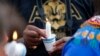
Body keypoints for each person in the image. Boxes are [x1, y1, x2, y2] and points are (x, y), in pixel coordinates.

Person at [10, 0, 94, 56]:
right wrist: (24, 42)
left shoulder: (86, 1)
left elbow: (96, 42)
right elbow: (4, 47)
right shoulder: (17, 2)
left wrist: (75, 43)